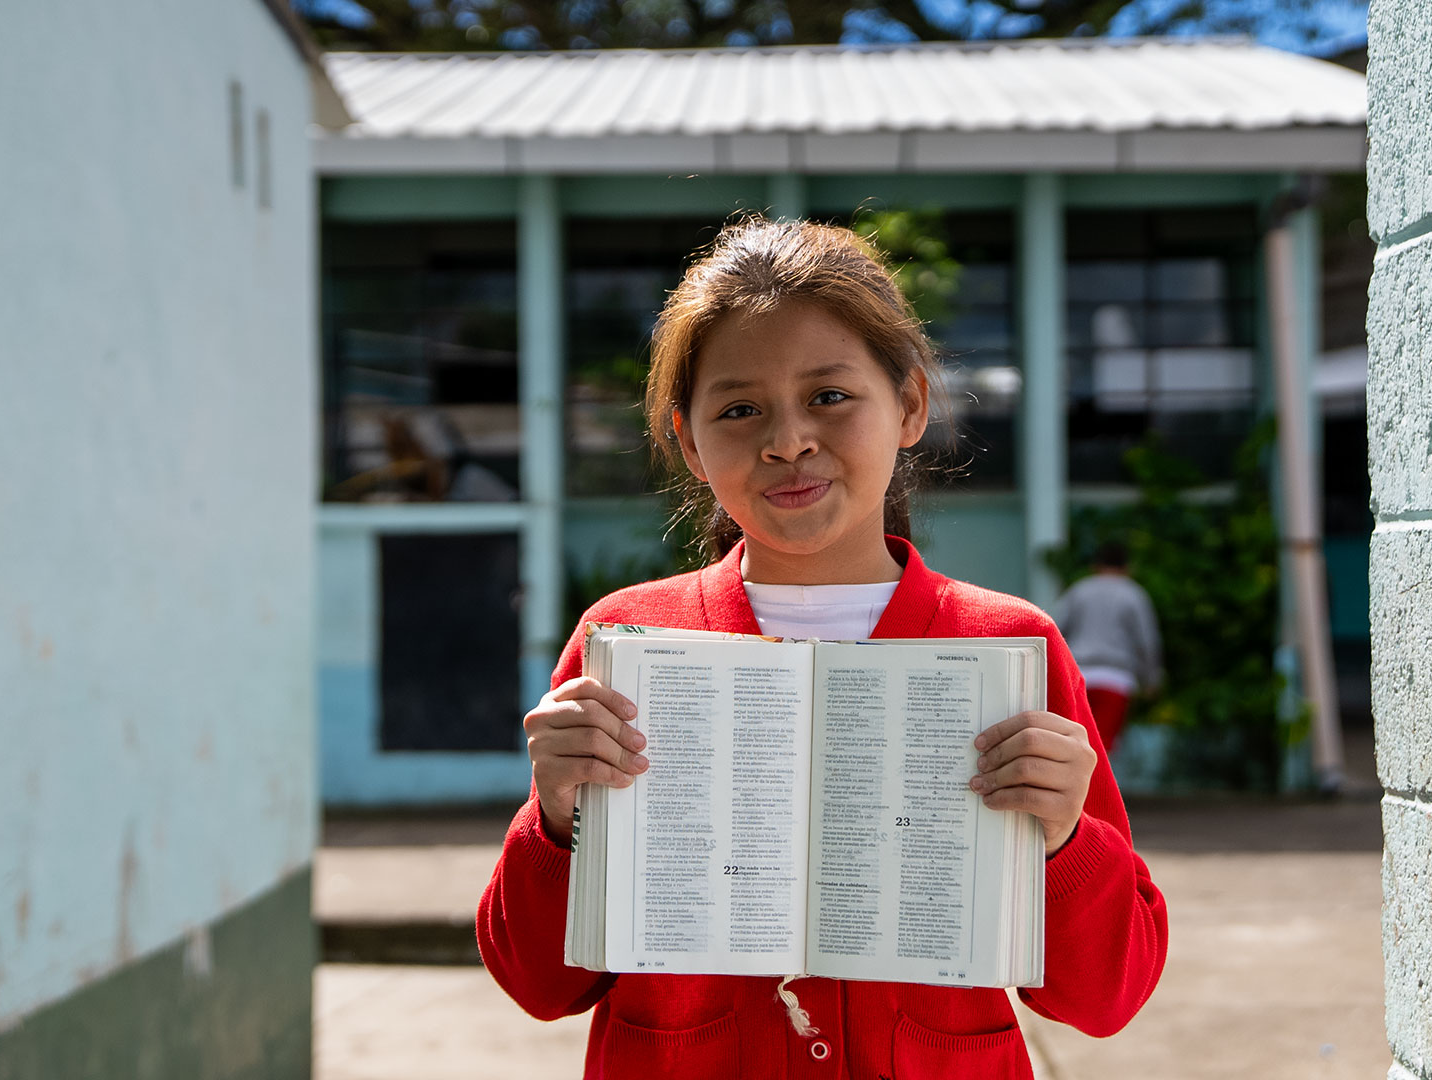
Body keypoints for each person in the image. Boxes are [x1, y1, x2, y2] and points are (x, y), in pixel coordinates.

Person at [477, 217, 1168, 1079]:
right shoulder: (626, 644)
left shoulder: (1008, 648)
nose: (788, 440)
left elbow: (1108, 997)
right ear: (689, 444)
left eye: (830, 397)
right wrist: (554, 820)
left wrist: (1067, 841)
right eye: (738, 409)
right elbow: (540, 984)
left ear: (910, 405)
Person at [1049, 541, 1163, 755]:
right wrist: (1151, 679)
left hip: (1078, 674)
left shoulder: (1079, 590)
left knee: (1072, 744)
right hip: (1116, 678)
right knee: (1102, 747)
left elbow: (1055, 629)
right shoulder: (1134, 594)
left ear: (1095, 565)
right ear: (1128, 567)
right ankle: (1098, 789)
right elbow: (1147, 641)